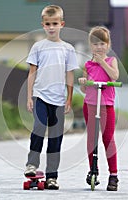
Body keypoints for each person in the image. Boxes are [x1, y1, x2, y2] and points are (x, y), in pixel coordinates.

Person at [24, 5, 79, 190]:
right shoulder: (38, 47)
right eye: (47, 24)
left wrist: (69, 98)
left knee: (56, 137)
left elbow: (69, 75)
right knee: (39, 127)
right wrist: (29, 96)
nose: (51, 27)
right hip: (40, 96)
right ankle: (32, 164)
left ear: (62, 24)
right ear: (43, 25)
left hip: (58, 100)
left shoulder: (68, 49)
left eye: (55, 23)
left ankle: (52, 177)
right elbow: (32, 72)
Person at [78, 26, 120, 191]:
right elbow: (84, 88)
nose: (99, 47)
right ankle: (93, 170)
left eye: (102, 44)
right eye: (96, 44)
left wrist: (102, 62)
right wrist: (83, 81)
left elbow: (114, 76)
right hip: (90, 105)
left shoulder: (111, 61)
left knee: (108, 139)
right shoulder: (88, 64)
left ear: (108, 45)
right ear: (91, 46)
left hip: (106, 105)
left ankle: (113, 175)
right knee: (91, 139)